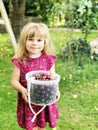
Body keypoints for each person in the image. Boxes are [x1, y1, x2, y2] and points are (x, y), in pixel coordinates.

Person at [11, 22, 60, 130]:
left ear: (45, 42)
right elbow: (14, 81)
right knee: (31, 126)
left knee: (42, 124)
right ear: (24, 41)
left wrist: (56, 90)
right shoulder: (20, 61)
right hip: (29, 99)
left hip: (45, 97)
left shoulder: (48, 60)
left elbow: (53, 79)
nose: (34, 43)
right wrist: (22, 90)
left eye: (39, 40)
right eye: (30, 39)